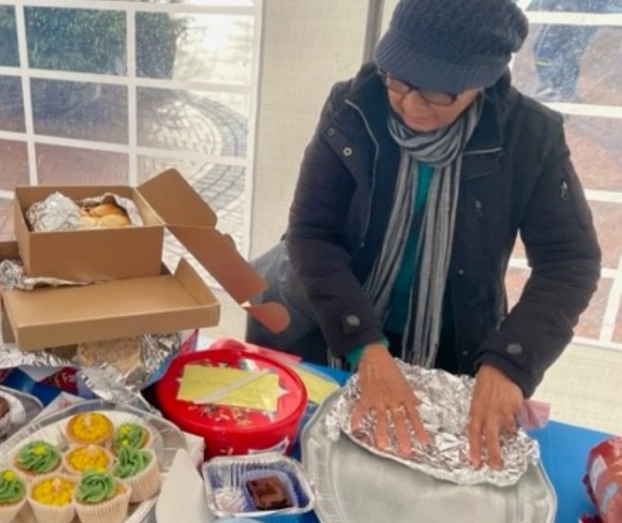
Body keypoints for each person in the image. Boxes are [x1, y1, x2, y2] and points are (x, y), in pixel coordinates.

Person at [247, 0, 601, 469]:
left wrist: (510, 364)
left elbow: (569, 262)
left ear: (484, 77)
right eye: (400, 80)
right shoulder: (354, 104)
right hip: (326, 318)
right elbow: (312, 232)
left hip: (451, 339)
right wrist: (364, 346)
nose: (412, 105)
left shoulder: (530, 137)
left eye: (439, 94)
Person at [532, 0, 610, 102]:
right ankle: (560, 91)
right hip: (577, 7)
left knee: (561, 51)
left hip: (578, 7)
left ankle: (560, 93)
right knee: (556, 50)